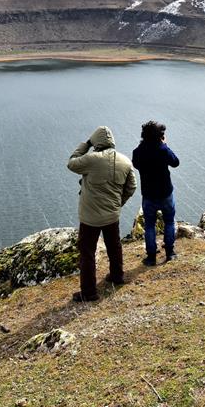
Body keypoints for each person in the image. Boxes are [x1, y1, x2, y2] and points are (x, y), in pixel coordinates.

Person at [67, 126, 137, 302]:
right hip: (112, 215)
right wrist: (118, 204)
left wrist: (87, 143)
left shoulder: (91, 159)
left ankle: (89, 293)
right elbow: (132, 187)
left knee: (87, 253)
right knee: (114, 246)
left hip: (90, 217)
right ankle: (117, 276)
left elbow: (72, 162)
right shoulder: (125, 161)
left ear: (96, 142)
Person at [132, 120, 180, 265]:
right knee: (169, 222)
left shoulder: (138, 152)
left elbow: (136, 164)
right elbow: (175, 162)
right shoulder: (163, 150)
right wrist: (164, 145)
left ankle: (151, 257)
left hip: (148, 195)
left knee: (149, 226)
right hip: (165, 193)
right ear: (160, 136)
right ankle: (170, 253)